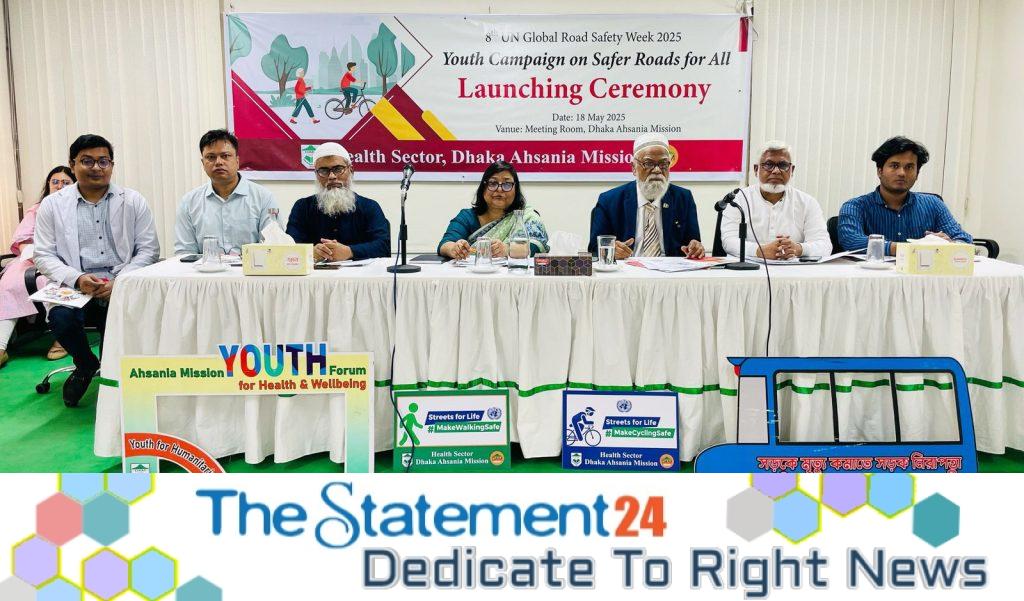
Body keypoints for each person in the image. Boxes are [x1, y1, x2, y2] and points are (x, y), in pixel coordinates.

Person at [33, 134, 160, 406]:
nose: (96, 168)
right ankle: (85, 364)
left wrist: (120, 281)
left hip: (120, 282)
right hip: (74, 285)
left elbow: (149, 250)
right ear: (73, 164)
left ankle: (111, 377)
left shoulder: (133, 200)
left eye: (103, 161)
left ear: (112, 165)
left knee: (119, 322)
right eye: (87, 161)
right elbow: (43, 254)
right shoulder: (52, 205)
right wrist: (77, 278)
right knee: (61, 319)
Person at [838, 136, 972, 253]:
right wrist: (908, 249)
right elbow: (851, 240)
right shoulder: (855, 207)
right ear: (880, 171)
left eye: (909, 167)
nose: (902, 173)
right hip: (875, 274)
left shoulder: (933, 204)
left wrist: (950, 245)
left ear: (917, 174)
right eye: (894, 166)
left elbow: (965, 241)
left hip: (920, 274)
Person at [0, 167, 76, 367]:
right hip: (31, 259)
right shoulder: (36, 209)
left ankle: (63, 338)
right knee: (7, 285)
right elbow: (22, 239)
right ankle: (0, 347)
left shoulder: (79, 208)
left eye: (65, 182)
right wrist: (37, 256)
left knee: (53, 283)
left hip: (64, 261)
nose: (59, 186)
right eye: (55, 182)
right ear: (48, 185)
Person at [589, 133, 703, 259]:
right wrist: (609, 251)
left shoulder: (683, 198)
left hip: (671, 270)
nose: (657, 170)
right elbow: (594, 250)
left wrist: (695, 248)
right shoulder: (609, 201)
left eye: (663, 164)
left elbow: (693, 244)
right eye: (648, 163)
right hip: (627, 268)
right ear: (633, 168)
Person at [174, 129, 280, 255]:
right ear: (203, 163)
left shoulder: (263, 198)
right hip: (206, 268)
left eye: (225, 156)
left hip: (250, 267)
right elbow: (185, 253)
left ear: (237, 161)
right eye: (211, 157)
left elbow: (273, 247)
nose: (219, 162)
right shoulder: (189, 203)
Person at [721, 141, 832, 259]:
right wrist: (759, 251)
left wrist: (798, 249)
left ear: (792, 170)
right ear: (756, 169)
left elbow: (825, 245)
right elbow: (728, 241)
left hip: (792, 268)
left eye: (783, 165)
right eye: (769, 164)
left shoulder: (807, 203)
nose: (776, 171)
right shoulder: (739, 200)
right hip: (749, 267)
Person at [286, 142, 390, 260]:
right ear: (316, 175)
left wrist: (350, 252)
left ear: (351, 170)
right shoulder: (302, 207)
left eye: (338, 169)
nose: (332, 176)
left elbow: (383, 246)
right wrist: (311, 252)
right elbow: (289, 246)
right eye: (324, 171)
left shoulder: (369, 206)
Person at [437, 161, 549, 260]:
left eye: (507, 184)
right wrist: (454, 248)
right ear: (483, 188)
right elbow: (445, 243)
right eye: (493, 183)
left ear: (516, 189)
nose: (499, 189)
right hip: (474, 274)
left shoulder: (525, 216)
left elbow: (537, 246)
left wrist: (507, 249)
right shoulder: (467, 216)